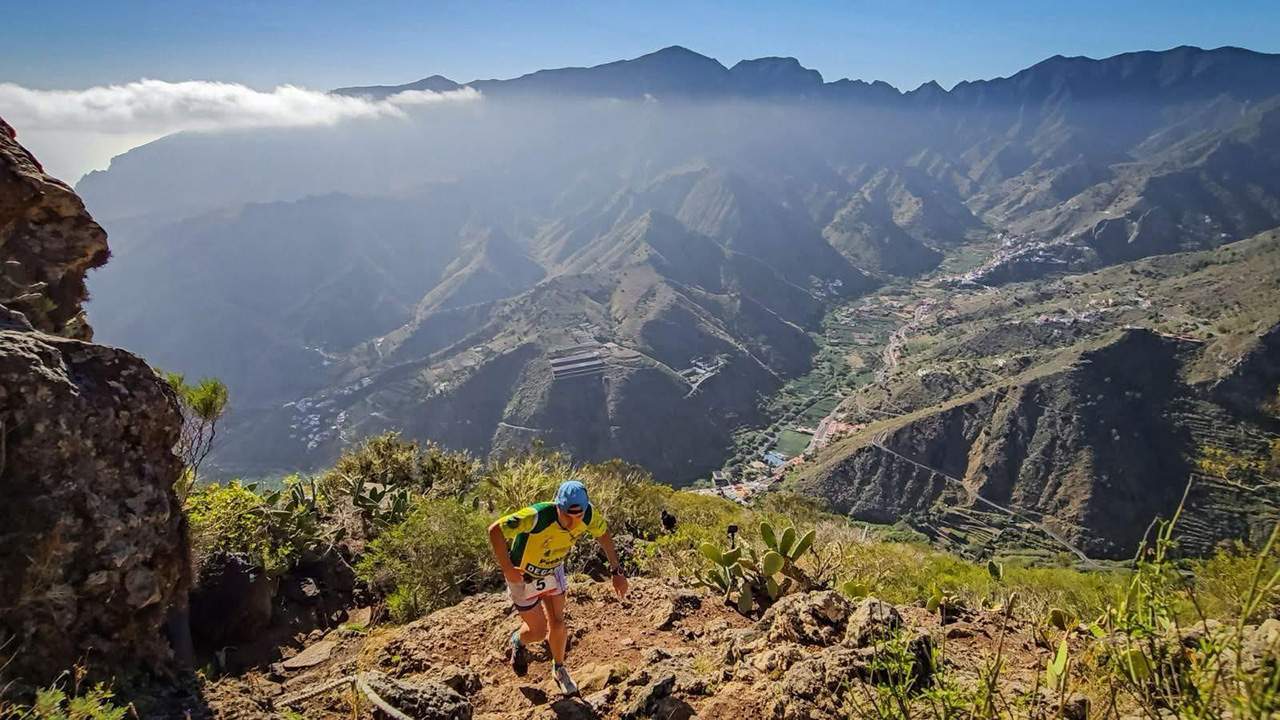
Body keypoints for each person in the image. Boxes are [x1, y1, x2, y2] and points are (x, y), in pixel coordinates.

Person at [487, 479, 629, 695]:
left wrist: (616, 571)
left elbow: (604, 536)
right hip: (524, 576)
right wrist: (507, 569)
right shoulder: (537, 516)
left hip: (553, 570)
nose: (573, 523)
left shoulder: (589, 515)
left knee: (558, 622)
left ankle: (559, 668)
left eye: (578, 517)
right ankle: (519, 640)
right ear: (557, 507)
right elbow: (495, 530)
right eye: (567, 517)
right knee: (538, 631)